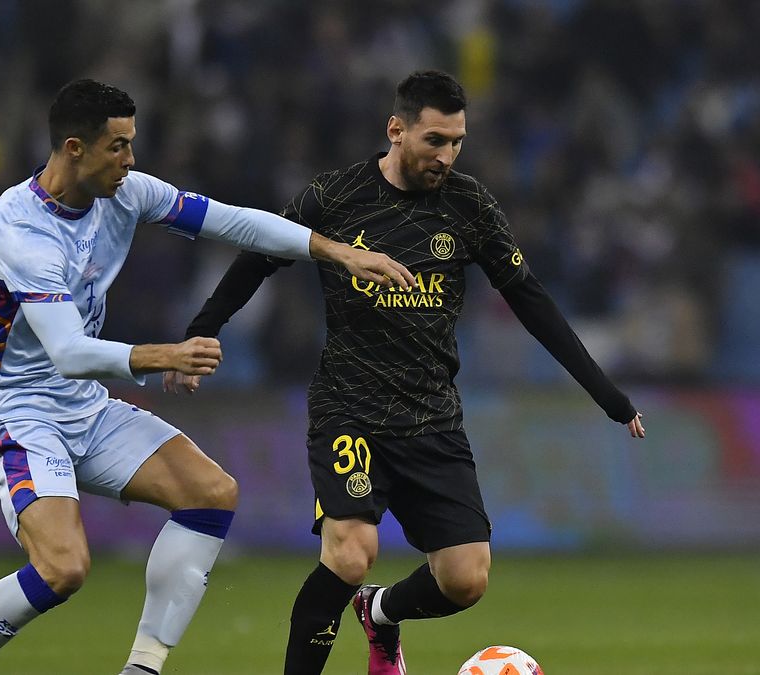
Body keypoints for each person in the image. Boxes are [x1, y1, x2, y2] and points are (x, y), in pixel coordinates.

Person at [0, 78, 413, 675]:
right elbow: (68, 350)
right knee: (62, 568)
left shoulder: (127, 193)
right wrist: (165, 356)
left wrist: (341, 253)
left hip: (83, 405)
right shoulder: (23, 233)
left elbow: (235, 223)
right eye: (117, 147)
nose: (130, 160)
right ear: (75, 148)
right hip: (16, 411)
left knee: (211, 494)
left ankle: (142, 669)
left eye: (131, 144)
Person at [168, 70, 646, 675]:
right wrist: (201, 327)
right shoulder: (335, 196)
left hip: (432, 418)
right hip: (349, 411)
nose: (447, 156)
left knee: (466, 578)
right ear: (396, 130)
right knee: (350, 552)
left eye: (457, 142)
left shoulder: (469, 206)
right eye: (435, 141)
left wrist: (606, 394)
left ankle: (382, 614)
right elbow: (258, 257)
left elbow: (529, 298)